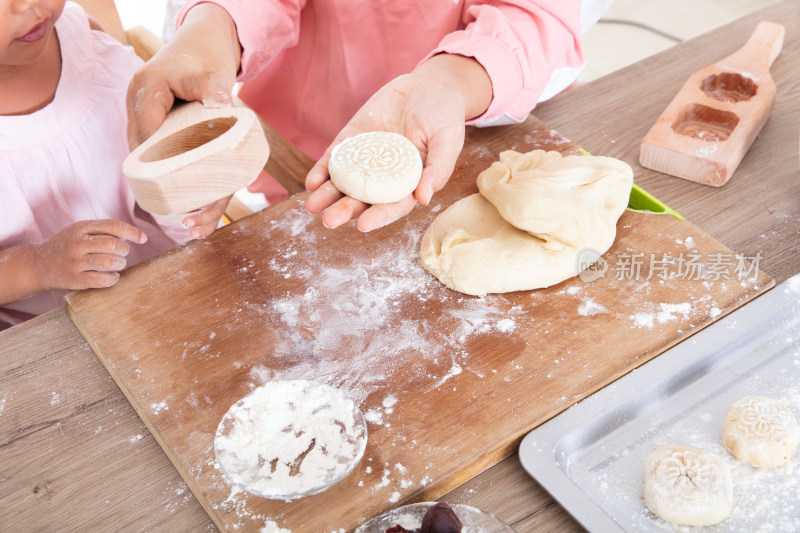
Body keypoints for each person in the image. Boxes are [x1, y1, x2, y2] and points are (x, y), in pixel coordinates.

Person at [129, 1, 611, 232]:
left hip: (494, 111)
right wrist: (212, 31)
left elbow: (537, 16)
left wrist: (450, 83)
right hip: (317, 131)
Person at [0, 0, 227, 328]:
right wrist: (38, 265)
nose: (29, 3)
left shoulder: (84, 38)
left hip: (168, 284)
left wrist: (189, 170)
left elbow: (148, 134)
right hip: (48, 337)